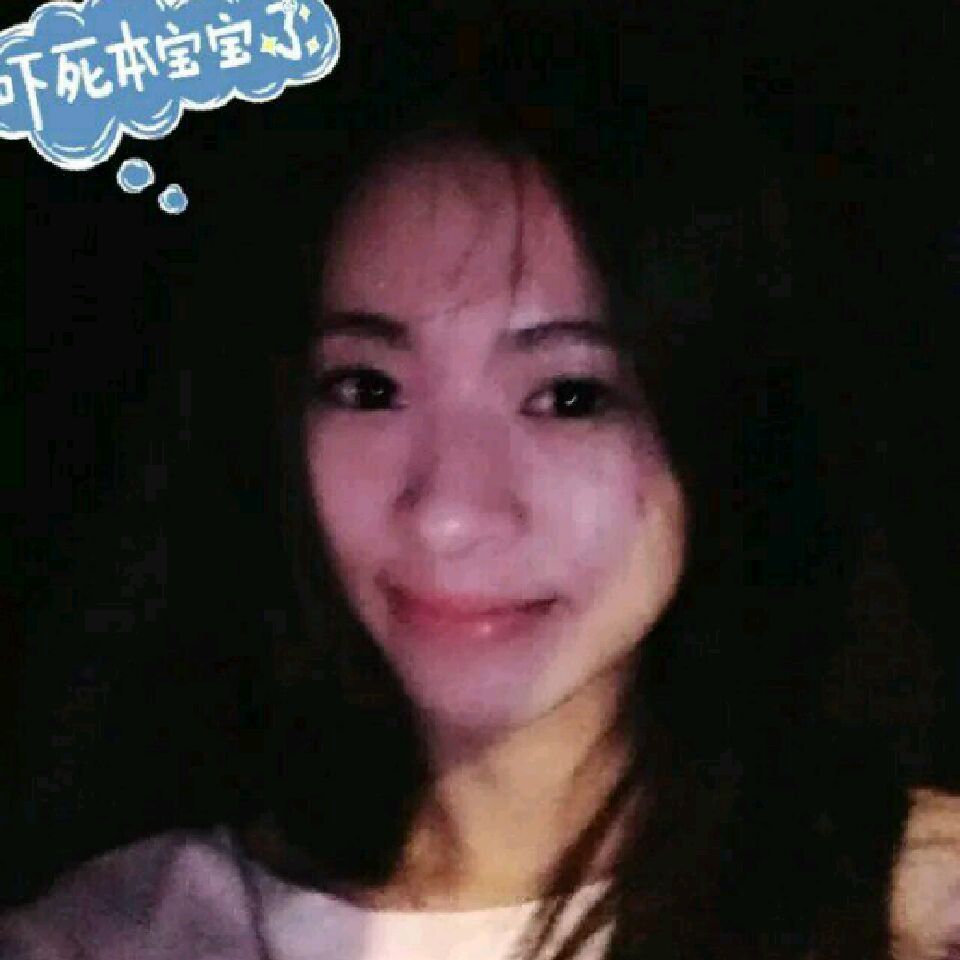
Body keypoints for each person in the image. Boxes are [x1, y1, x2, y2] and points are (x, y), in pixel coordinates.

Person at [3, 93, 958, 960]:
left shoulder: (908, 909)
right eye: (367, 387)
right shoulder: (125, 936)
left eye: (571, 396)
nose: (449, 515)